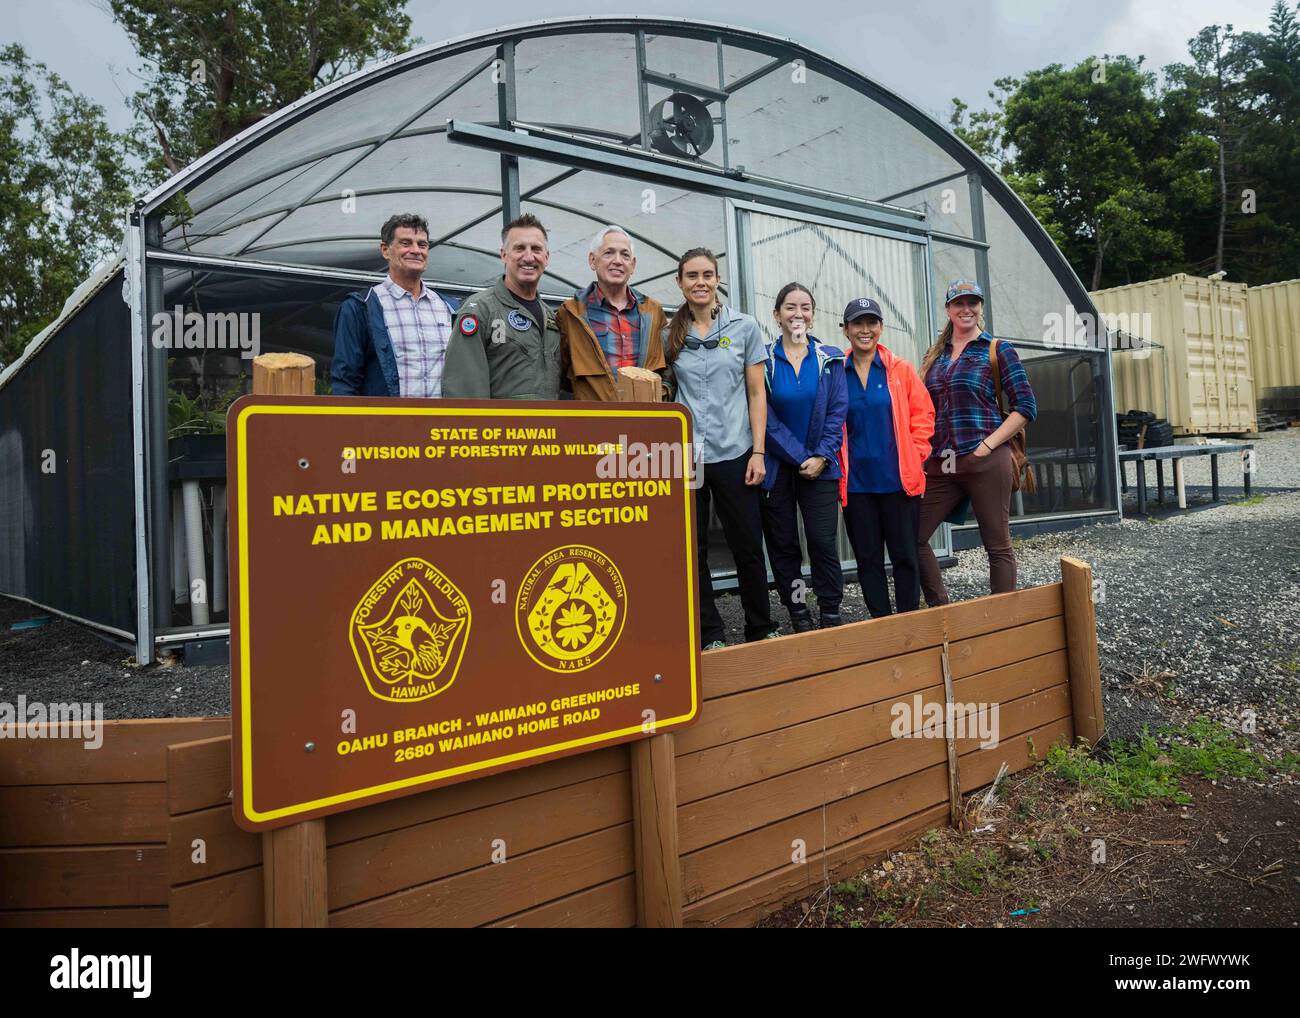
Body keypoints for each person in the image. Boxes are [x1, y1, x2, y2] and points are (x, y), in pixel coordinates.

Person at [664, 248, 773, 649]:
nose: (700, 282)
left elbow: (756, 393)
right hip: (688, 455)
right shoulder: (667, 334)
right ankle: (710, 632)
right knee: (694, 549)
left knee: (747, 543)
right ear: (680, 282)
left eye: (707, 274)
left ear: (717, 279)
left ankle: (761, 627)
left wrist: (758, 452)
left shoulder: (744, 327)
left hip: (736, 451)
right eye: (691, 275)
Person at [915, 279, 1037, 604]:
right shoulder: (934, 355)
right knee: (913, 536)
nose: (966, 309)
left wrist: (987, 446)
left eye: (973, 302)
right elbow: (923, 408)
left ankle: (1001, 623)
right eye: (959, 303)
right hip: (942, 463)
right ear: (948, 309)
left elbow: (1025, 406)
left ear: (980, 307)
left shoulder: (997, 349)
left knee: (996, 545)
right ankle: (942, 613)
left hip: (985, 460)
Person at [838, 297, 934, 617]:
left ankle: (908, 620)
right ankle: (880, 622)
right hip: (857, 485)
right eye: (857, 323)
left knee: (905, 556)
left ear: (880, 327)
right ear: (846, 329)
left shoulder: (900, 369)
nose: (865, 330)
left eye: (871, 323)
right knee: (868, 560)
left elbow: (923, 416)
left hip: (898, 482)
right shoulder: (836, 371)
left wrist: (916, 454)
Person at [759, 283, 847, 631]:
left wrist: (822, 456)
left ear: (812, 315)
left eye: (805, 307)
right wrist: (799, 457)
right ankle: (798, 611)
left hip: (822, 467)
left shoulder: (830, 357)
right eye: (790, 307)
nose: (798, 313)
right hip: (779, 469)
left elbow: (838, 411)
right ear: (777, 314)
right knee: (784, 546)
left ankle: (829, 609)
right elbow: (763, 415)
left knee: (822, 541)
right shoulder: (764, 359)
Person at [442, 213, 563, 400]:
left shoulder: (552, 318)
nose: (529, 257)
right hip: (501, 429)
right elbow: (463, 391)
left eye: (536, 249)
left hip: (548, 428)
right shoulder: (479, 311)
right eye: (519, 248)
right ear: (504, 255)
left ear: (546, 257)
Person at [331, 213, 454, 397]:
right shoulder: (360, 307)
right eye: (405, 243)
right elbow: (345, 381)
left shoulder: (450, 308)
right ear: (385, 250)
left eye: (422, 244)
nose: (416, 250)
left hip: (441, 424)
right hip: (385, 425)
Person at [555, 226, 671, 401]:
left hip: (643, 421)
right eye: (609, 253)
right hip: (594, 423)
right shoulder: (571, 314)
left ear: (633, 265)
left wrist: (660, 393)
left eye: (625, 255)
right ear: (592, 261)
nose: (618, 261)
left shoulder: (653, 312)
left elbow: (669, 368)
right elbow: (559, 374)